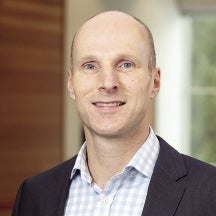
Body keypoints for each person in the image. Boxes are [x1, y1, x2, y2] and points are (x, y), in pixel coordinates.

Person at [12, 11, 216, 216]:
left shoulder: (210, 193)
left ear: (154, 82)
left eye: (126, 64)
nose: (108, 83)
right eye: (90, 66)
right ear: (71, 84)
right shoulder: (34, 196)